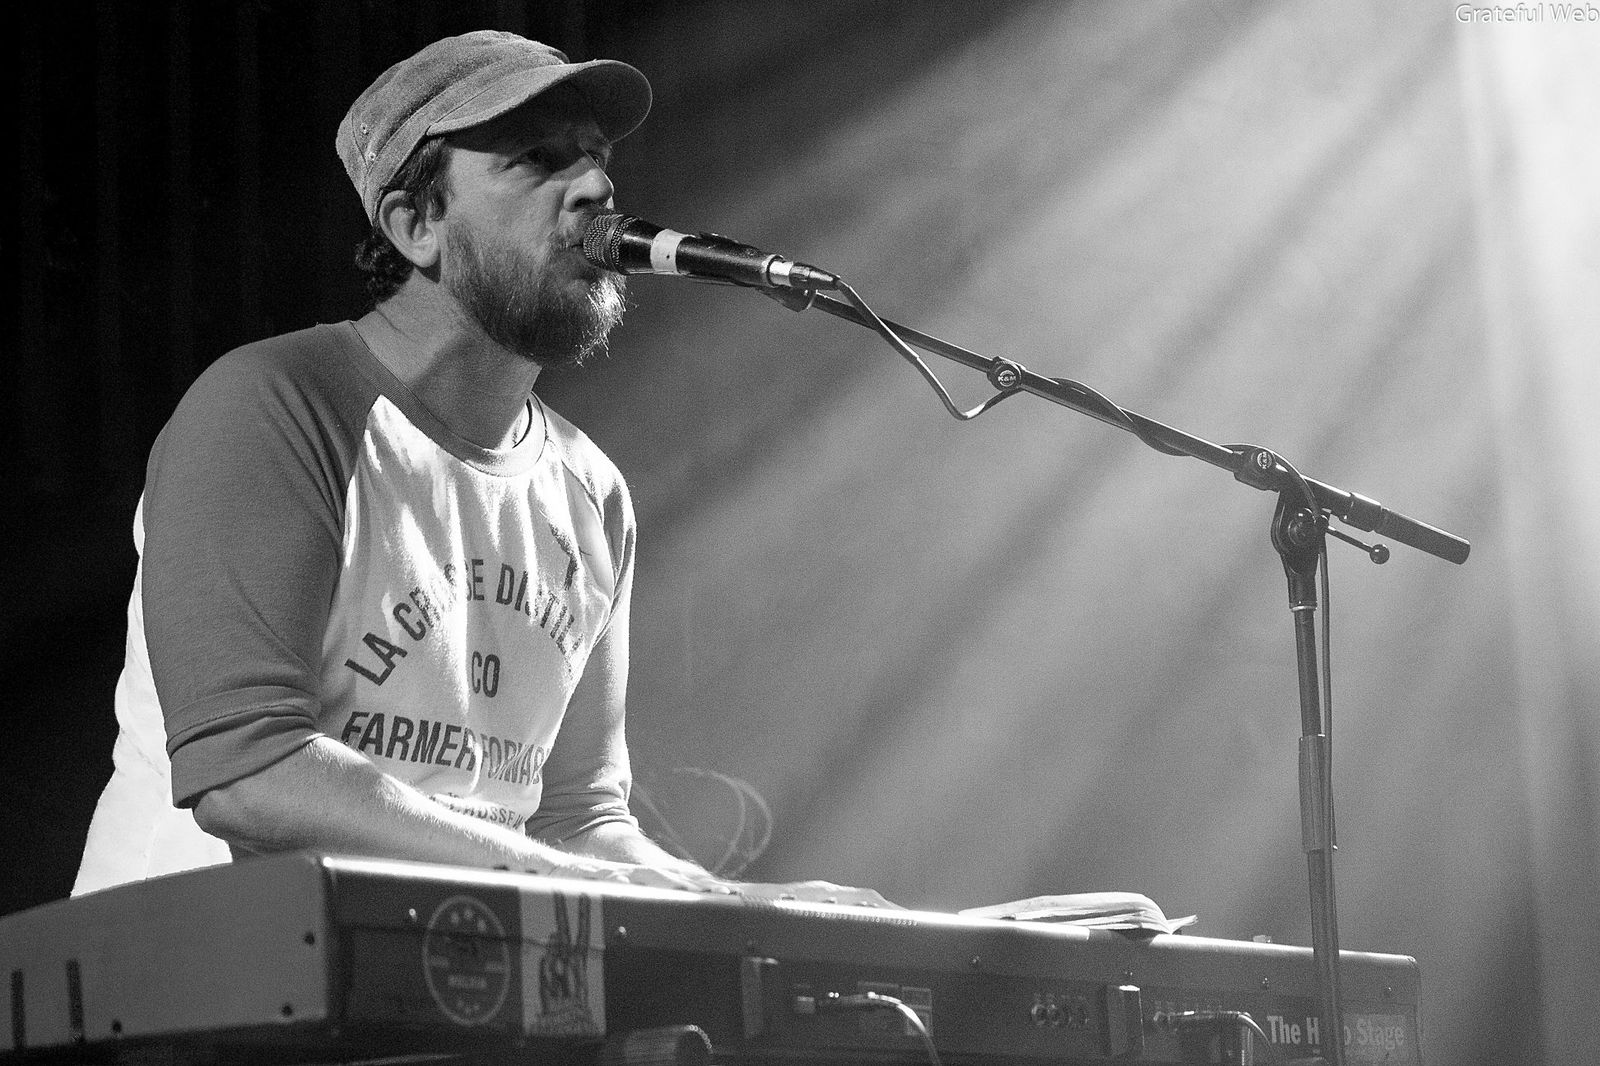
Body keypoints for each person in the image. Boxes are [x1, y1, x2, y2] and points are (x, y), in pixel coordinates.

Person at [73, 30, 885, 907]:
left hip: (428, 967)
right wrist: (570, 881)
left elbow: (578, 818)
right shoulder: (271, 410)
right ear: (417, 225)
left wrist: (735, 908)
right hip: (185, 974)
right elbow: (250, 776)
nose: (597, 187)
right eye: (537, 159)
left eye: (597, 157)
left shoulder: (591, 491)